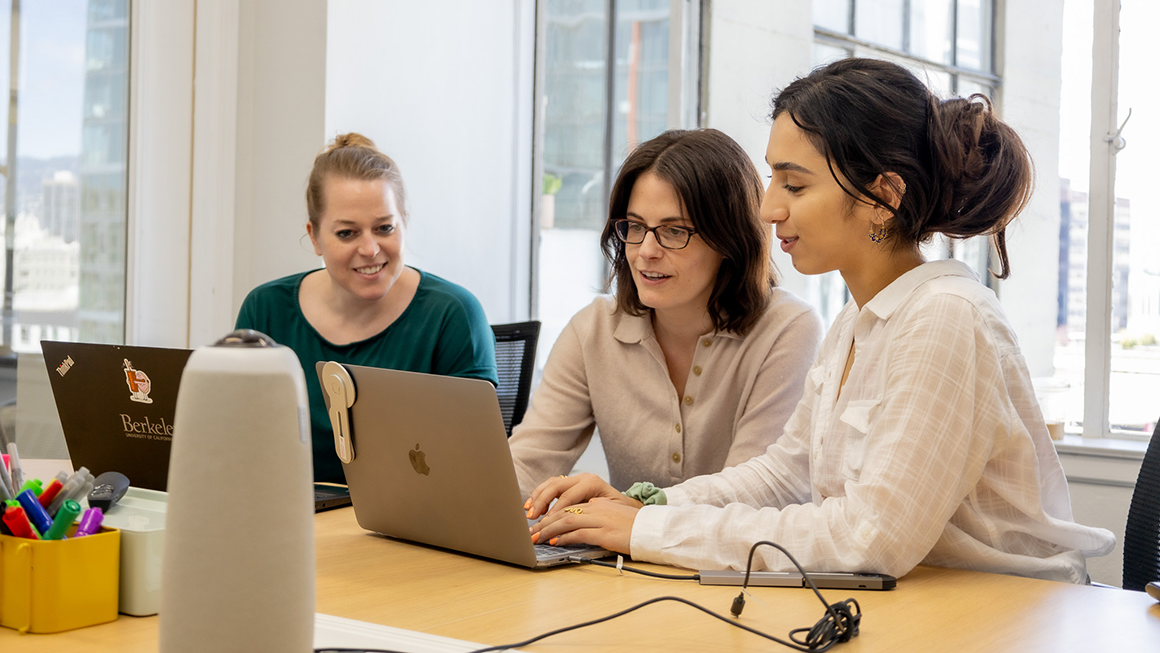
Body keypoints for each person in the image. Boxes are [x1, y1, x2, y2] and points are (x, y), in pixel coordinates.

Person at [527, 58, 1115, 583]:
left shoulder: (946, 318)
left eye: (794, 184)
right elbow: (784, 476)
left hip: (1008, 618)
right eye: (772, 179)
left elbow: (871, 537)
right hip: (917, 608)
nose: (767, 208)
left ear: (882, 196)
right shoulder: (858, 322)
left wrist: (647, 532)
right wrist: (644, 506)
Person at [508, 128, 822, 497]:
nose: (646, 251)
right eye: (636, 226)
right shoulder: (592, 329)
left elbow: (754, 493)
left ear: (730, 239)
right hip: (620, 537)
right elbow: (526, 464)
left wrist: (631, 510)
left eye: (674, 231)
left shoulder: (788, 329)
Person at [236, 133, 497, 483]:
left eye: (384, 228)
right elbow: (240, 443)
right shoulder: (265, 310)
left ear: (404, 223)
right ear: (314, 237)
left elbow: (473, 464)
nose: (370, 249)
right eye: (347, 233)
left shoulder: (453, 314)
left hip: (412, 514)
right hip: (289, 511)